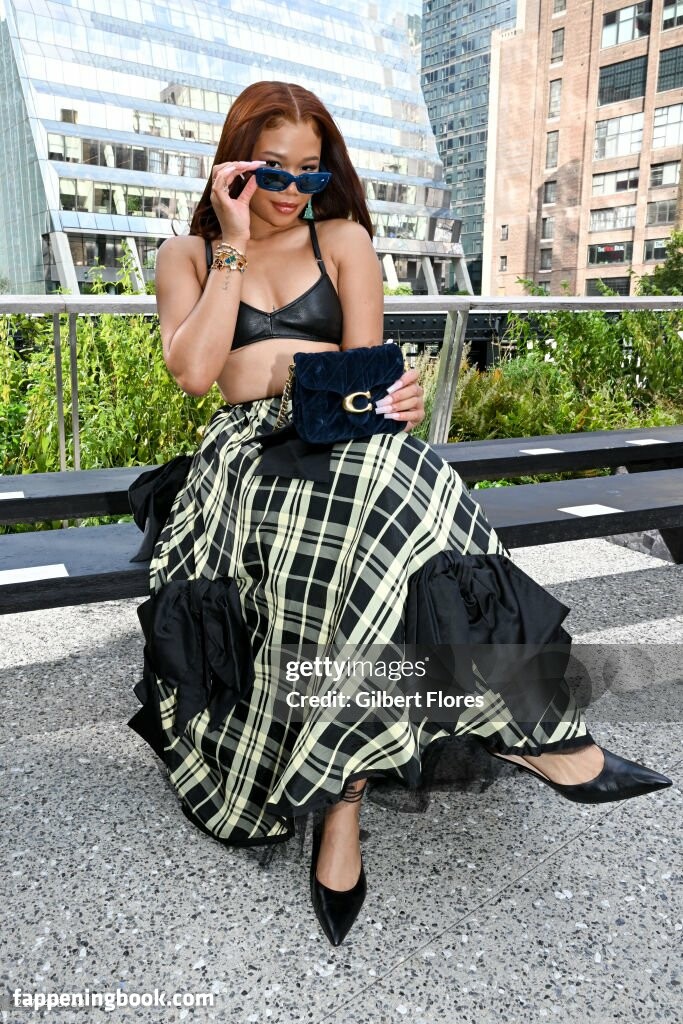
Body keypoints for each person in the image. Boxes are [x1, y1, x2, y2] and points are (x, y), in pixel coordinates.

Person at [127, 81, 672, 948]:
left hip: (346, 441)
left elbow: (365, 373)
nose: (291, 190)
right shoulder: (186, 255)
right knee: (370, 520)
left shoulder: (343, 239)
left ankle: (353, 794)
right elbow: (200, 375)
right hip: (246, 458)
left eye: (310, 173)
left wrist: (387, 393)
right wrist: (231, 249)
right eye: (272, 170)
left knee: (399, 492)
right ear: (234, 167)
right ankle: (508, 735)